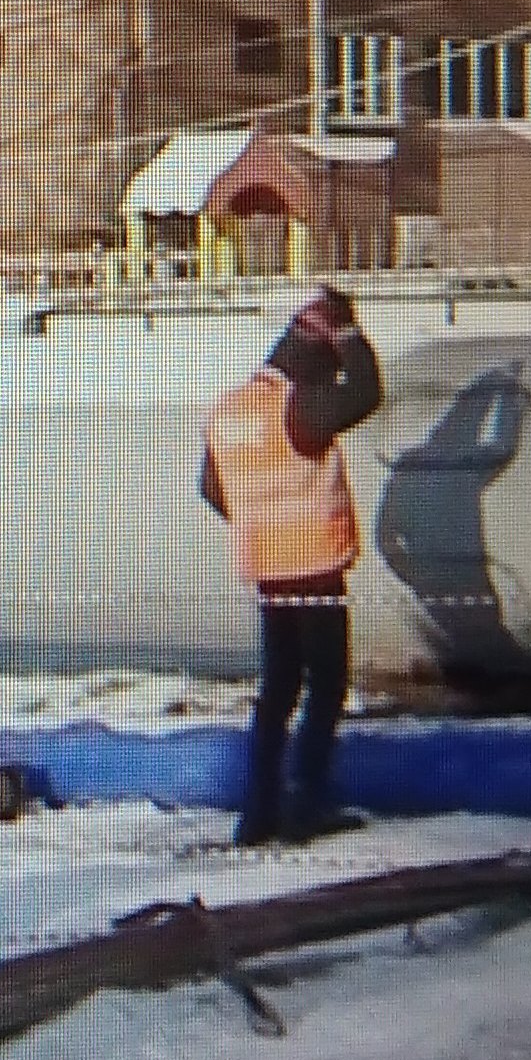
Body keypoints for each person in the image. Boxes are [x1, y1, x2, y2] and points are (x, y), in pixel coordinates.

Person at [197, 286, 386, 846]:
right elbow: (368, 393)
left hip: (267, 569)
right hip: (315, 568)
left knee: (278, 689)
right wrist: (348, 337)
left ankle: (257, 815)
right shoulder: (300, 404)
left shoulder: (230, 406)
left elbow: (212, 489)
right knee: (326, 684)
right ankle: (306, 804)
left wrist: (262, 516)